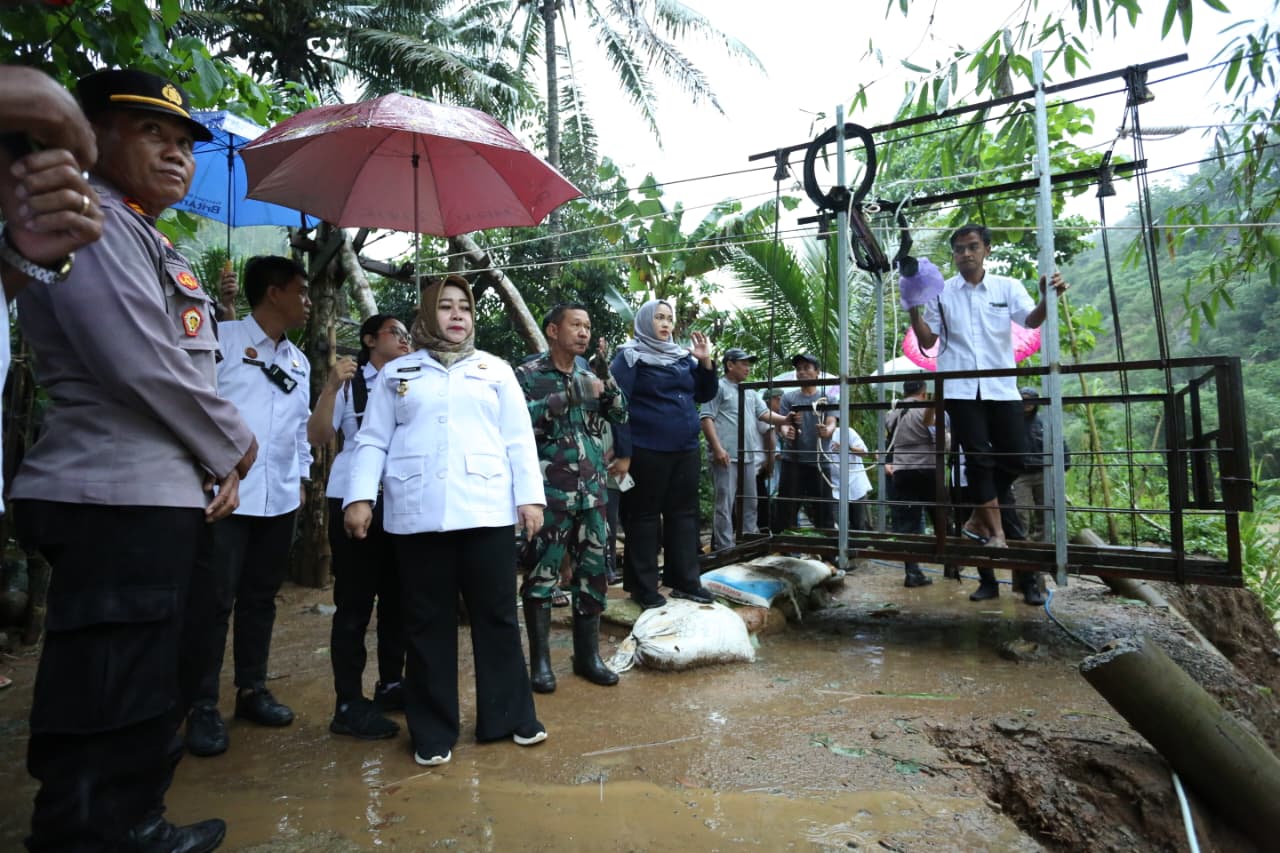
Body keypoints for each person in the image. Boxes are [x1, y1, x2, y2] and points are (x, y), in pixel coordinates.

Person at [9, 67, 257, 853]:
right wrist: (234, 445)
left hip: (155, 492)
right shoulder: (92, 221)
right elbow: (139, 360)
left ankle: (134, 821)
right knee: (109, 687)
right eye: (154, 132)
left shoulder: (140, 231)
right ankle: (90, 833)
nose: (178, 154)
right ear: (90, 134)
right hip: (112, 490)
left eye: (186, 141)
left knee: (150, 677)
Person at [343, 275, 547, 767]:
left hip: (486, 510)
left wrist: (531, 499)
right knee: (426, 621)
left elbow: (519, 439)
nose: (457, 316)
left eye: (465, 308)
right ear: (426, 314)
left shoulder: (495, 370)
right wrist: (359, 497)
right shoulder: (399, 373)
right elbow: (373, 440)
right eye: (446, 307)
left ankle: (508, 717)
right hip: (418, 514)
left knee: (496, 616)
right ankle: (432, 730)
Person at [186, 255, 313, 757]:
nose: (306, 300)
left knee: (260, 599)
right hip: (223, 497)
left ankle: (251, 690)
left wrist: (300, 480)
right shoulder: (222, 339)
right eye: (300, 291)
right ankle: (199, 705)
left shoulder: (298, 361)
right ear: (274, 292)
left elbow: (301, 431)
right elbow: (197, 405)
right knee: (213, 602)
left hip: (279, 499)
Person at [907, 224, 1068, 597]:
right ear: (954, 254)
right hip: (961, 387)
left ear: (986, 250)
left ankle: (979, 520)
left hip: (1001, 386)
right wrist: (914, 309)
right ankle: (993, 534)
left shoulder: (1007, 286)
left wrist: (1048, 297)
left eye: (973, 247)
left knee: (1016, 454)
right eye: (960, 249)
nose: (966, 253)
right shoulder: (942, 291)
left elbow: (1031, 319)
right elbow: (928, 339)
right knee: (978, 459)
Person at [308, 314, 411, 739]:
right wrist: (331, 386)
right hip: (353, 498)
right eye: (396, 333)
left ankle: (391, 684)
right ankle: (348, 703)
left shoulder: (412, 379)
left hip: (400, 501)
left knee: (397, 600)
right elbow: (318, 435)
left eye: (409, 334)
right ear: (370, 339)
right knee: (354, 604)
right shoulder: (351, 382)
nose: (405, 340)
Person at [515, 304, 628, 693]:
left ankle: (587, 657)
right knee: (542, 576)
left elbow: (620, 414)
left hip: (593, 493)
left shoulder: (589, 373)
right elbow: (515, 422)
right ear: (552, 330)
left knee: (593, 575)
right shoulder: (528, 374)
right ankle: (541, 664)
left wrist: (605, 376)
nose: (583, 332)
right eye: (575, 325)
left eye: (587, 326)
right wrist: (563, 399)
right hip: (549, 496)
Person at [610, 299, 718, 609]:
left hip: (685, 449)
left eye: (669, 318)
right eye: (658, 317)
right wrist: (624, 452)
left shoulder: (683, 358)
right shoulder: (629, 359)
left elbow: (704, 393)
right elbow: (616, 407)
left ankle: (685, 581)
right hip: (646, 450)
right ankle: (643, 587)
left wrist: (706, 362)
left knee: (684, 516)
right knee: (643, 518)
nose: (665, 324)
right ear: (645, 321)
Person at [699, 348, 788, 551]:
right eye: (744, 363)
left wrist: (785, 419)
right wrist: (717, 448)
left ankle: (750, 542)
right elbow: (706, 418)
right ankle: (724, 547)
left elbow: (764, 414)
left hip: (747, 455)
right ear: (730, 365)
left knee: (750, 502)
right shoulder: (717, 387)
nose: (748, 368)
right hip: (726, 455)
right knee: (725, 502)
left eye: (749, 364)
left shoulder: (750, 391)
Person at [1009, 386, 1071, 604]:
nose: (1026, 403)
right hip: (1020, 474)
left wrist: (1063, 464)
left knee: (1045, 520)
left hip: (1043, 471)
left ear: (1036, 401)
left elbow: (1059, 441)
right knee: (1021, 518)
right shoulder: (1012, 419)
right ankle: (1026, 574)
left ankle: (1037, 566)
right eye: (1023, 399)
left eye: (1030, 400)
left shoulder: (1044, 421)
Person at [884, 379, 947, 587]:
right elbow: (942, 442)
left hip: (902, 472)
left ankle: (912, 572)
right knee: (939, 518)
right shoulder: (926, 410)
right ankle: (950, 564)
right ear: (923, 391)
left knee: (908, 523)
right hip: (927, 470)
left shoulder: (892, 413)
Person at [776, 354, 837, 532]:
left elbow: (832, 421)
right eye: (799, 369)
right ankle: (784, 547)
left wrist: (827, 430)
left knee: (823, 510)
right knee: (787, 507)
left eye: (806, 368)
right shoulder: (789, 398)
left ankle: (827, 552)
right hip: (793, 460)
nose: (801, 372)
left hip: (819, 461)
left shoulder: (827, 398)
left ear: (817, 372)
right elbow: (784, 425)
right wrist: (788, 432)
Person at [829, 421, 872, 532]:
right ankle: (842, 547)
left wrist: (845, 447)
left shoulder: (846, 432)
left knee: (858, 524)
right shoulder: (817, 439)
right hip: (834, 487)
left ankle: (858, 547)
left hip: (855, 485)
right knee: (837, 524)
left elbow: (864, 452)